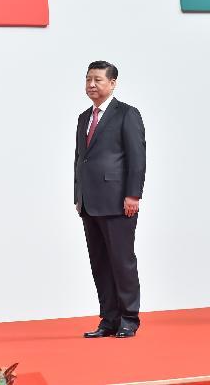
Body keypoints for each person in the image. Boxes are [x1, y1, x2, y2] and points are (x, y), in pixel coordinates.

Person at [74, 60, 146, 338]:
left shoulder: (127, 114)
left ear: (112, 83)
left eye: (98, 80)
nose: (91, 85)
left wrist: (133, 195)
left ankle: (129, 318)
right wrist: (78, 195)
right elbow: (80, 159)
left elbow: (137, 158)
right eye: (88, 79)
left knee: (121, 261)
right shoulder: (84, 117)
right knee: (100, 263)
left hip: (118, 202)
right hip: (89, 202)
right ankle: (109, 319)